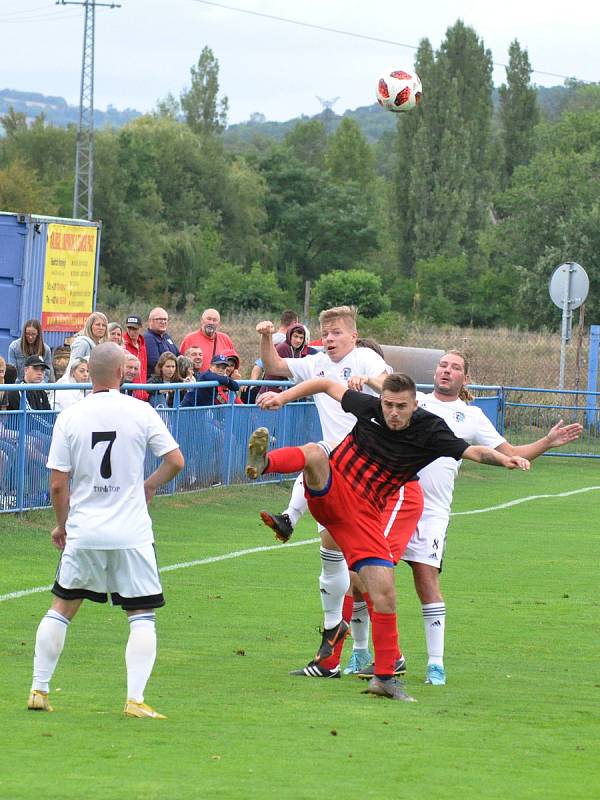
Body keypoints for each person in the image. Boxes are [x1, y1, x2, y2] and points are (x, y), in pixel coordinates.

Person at [250, 373, 530, 701]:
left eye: (401, 406)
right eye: (388, 405)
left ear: (415, 405)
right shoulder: (369, 407)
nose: (393, 412)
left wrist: (505, 459)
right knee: (314, 452)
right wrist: (283, 398)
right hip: (331, 493)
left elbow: (474, 452)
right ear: (380, 400)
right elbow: (325, 384)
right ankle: (263, 463)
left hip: (363, 516)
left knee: (384, 592)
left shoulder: (430, 429)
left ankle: (384, 678)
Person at [346, 351, 583, 685]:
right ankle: (363, 653)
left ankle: (435, 665)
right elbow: (385, 391)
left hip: (432, 513)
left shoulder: (471, 416)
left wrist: (547, 442)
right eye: (443, 365)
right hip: (391, 501)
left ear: (465, 379)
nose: (447, 370)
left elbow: (508, 452)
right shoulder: (415, 402)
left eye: (455, 367)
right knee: (364, 578)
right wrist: (362, 378)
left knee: (426, 582)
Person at [255, 306, 416, 681]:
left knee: (366, 575)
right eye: (325, 332)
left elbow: (388, 380)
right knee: (333, 553)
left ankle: (379, 655)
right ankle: (335, 650)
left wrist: (370, 381)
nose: (328, 338)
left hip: (367, 474)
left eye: (336, 332)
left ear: (353, 336)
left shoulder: (364, 357)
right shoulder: (315, 363)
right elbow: (275, 364)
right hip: (336, 469)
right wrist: (265, 338)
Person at [27, 342, 184, 717]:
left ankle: (39, 688)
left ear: (89, 373)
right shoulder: (140, 410)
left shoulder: (71, 416)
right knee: (142, 614)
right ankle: (135, 699)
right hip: (131, 532)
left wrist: (61, 526)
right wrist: (148, 485)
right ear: (120, 373)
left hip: (85, 530)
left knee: (62, 608)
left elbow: (57, 485)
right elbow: (175, 461)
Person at [259, 324, 317, 395]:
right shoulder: (284, 348)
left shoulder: (297, 351)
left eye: (301, 338)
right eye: (295, 336)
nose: (298, 340)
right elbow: (289, 374)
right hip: (269, 393)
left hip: (280, 394)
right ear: (290, 336)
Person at [144, 308, 179, 376]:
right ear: (150, 321)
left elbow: (178, 354)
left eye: (165, 319)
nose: (163, 322)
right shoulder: (148, 338)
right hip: (157, 382)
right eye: (159, 319)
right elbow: (154, 363)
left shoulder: (167, 337)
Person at [123, 315, 149, 401]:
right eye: (129, 328)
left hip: (143, 393)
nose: (131, 332)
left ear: (140, 329)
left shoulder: (143, 345)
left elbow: (144, 369)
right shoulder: (123, 344)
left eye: (135, 329)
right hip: (128, 394)